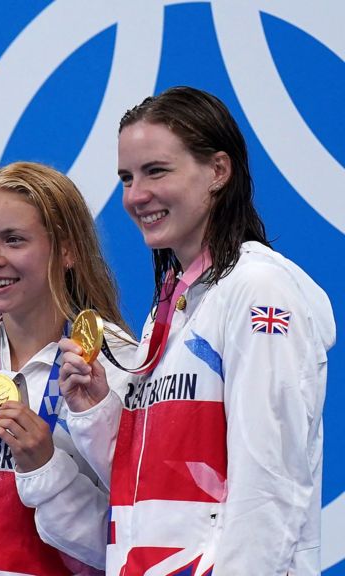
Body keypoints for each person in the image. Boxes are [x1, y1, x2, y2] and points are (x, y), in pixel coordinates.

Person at [57, 86, 334, 574]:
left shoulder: (258, 288)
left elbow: (269, 485)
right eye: (126, 177)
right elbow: (149, 489)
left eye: (156, 171)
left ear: (218, 172)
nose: (135, 195)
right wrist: (97, 409)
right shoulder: (174, 303)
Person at [0, 162, 136, 575]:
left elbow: (132, 539)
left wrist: (47, 467)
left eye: (14, 240)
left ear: (67, 249)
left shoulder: (115, 363)